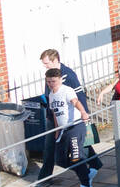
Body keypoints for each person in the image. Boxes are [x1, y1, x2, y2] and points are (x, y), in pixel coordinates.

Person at [36, 49, 97, 180]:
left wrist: (83, 113)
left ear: (55, 60)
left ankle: (91, 168)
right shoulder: (50, 75)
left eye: (46, 63)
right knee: (50, 147)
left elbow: (79, 95)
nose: (45, 66)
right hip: (54, 116)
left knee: (80, 145)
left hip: (70, 118)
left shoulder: (68, 75)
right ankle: (44, 177)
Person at [45, 68, 98, 187]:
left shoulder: (67, 90)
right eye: (49, 82)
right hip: (63, 130)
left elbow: (75, 101)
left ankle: (86, 186)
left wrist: (83, 112)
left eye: (54, 81)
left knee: (76, 157)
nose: (51, 84)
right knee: (61, 160)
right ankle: (85, 172)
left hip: (75, 126)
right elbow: (55, 113)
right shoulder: (51, 95)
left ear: (60, 80)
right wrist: (57, 131)